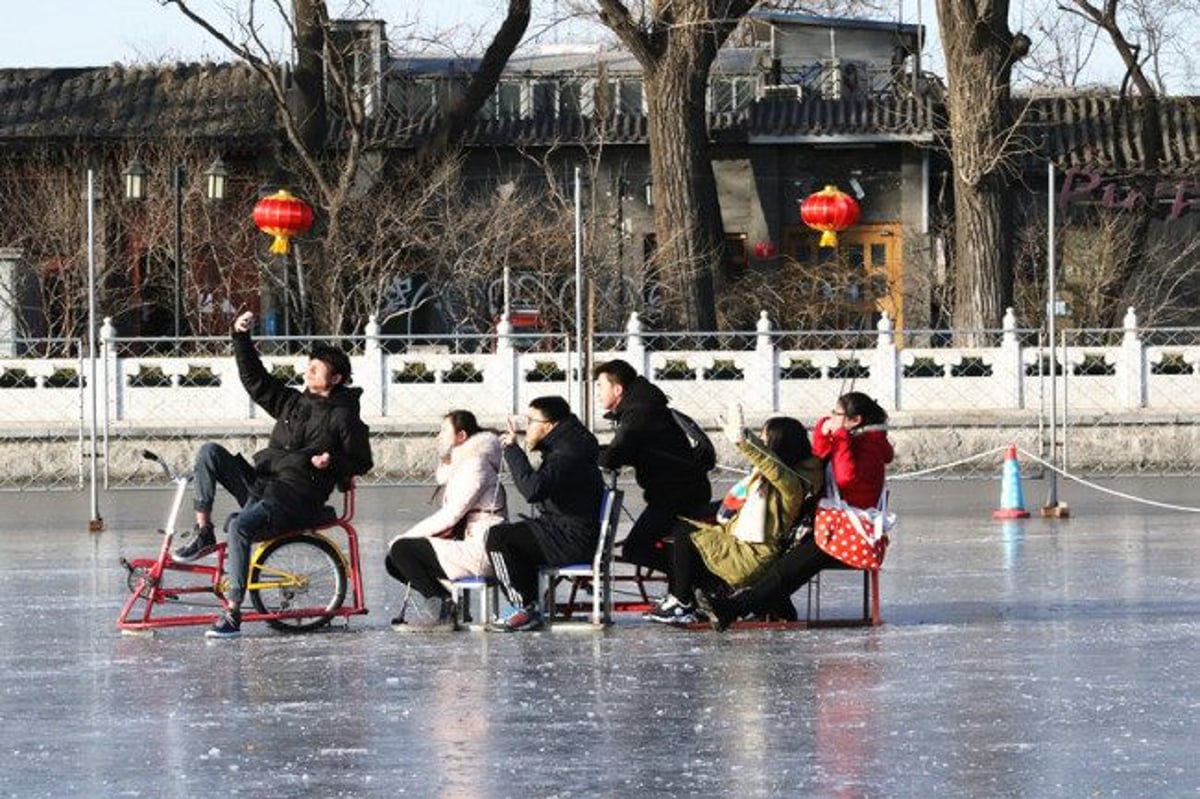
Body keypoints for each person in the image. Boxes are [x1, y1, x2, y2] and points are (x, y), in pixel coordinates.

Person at [171, 310, 373, 638]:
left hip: (295, 497)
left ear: (335, 379)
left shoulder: (343, 417)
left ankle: (233, 612)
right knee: (210, 452)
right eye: (309, 366)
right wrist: (240, 336)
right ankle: (203, 530)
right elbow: (256, 381)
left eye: (316, 368)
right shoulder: (293, 403)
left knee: (239, 526)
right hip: (262, 485)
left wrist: (331, 462)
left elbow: (361, 461)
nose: (308, 372)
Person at [707, 392, 894, 631]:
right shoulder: (850, 439)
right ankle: (767, 605)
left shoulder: (870, 448)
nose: (831, 417)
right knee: (784, 557)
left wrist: (840, 437)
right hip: (831, 524)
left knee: (794, 564)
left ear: (855, 420)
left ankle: (736, 607)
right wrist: (824, 431)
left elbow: (846, 478)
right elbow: (819, 458)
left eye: (836, 414)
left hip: (850, 532)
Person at [645, 415, 822, 626]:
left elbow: (774, 468)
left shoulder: (792, 483)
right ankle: (692, 597)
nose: (762, 444)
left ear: (778, 444)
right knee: (681, 529)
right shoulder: (775, 477)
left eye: (764, 440)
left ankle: (681, 602)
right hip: (742, 542)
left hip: (753, 553)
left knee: (686, 538)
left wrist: (744, 441)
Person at [486, 395, 603, 632]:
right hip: (567, 530)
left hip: (571, 538)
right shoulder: (569, 445)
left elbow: (533, 489)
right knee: (515, 538)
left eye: (531, 421)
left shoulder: (566, 454)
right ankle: (529, 606)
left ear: (549, 426)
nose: (526, 427)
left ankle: (522, 608)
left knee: (498, 538)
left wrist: (512, 450)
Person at [385, 410, 508, 632]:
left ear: (461, 436)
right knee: (394, 560)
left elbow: (452, 514)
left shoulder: (475, 465)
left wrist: (407, 536)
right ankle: (447, 603)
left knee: (402, 550)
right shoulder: (464, 465)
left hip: (481, 549)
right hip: (467, 543)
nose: (438, 437)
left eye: (443, 431)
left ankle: (444, 609)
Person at [593, 358, 711, 575]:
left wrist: (589, 454)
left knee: (636, 549)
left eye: (600, 386)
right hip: (678, 491)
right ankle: (688, 580)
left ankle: (698, 579)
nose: (597, 392)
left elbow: (616, 454)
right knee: (648, 544)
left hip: (677, 496)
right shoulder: (641, 406)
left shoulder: (639, 412)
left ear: (618, 389)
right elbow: (626, 449)